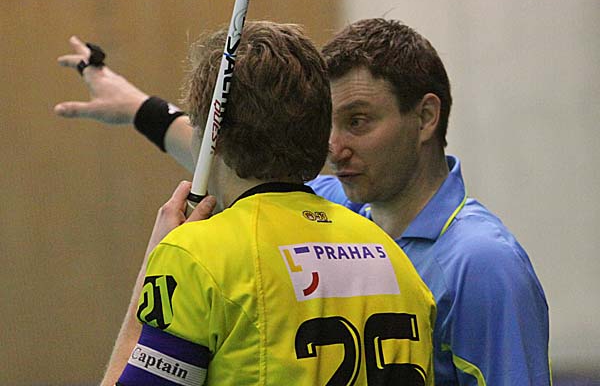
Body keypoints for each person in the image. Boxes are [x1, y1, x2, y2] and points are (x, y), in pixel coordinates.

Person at [56, 19, 551, 385]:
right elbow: (234, 155)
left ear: (425, 118)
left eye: (358, 122)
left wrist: (158, 260)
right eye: (328, 124)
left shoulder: (485, 263)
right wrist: (139, 108)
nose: (335, 147)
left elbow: (227, 158)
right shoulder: (346, 218)